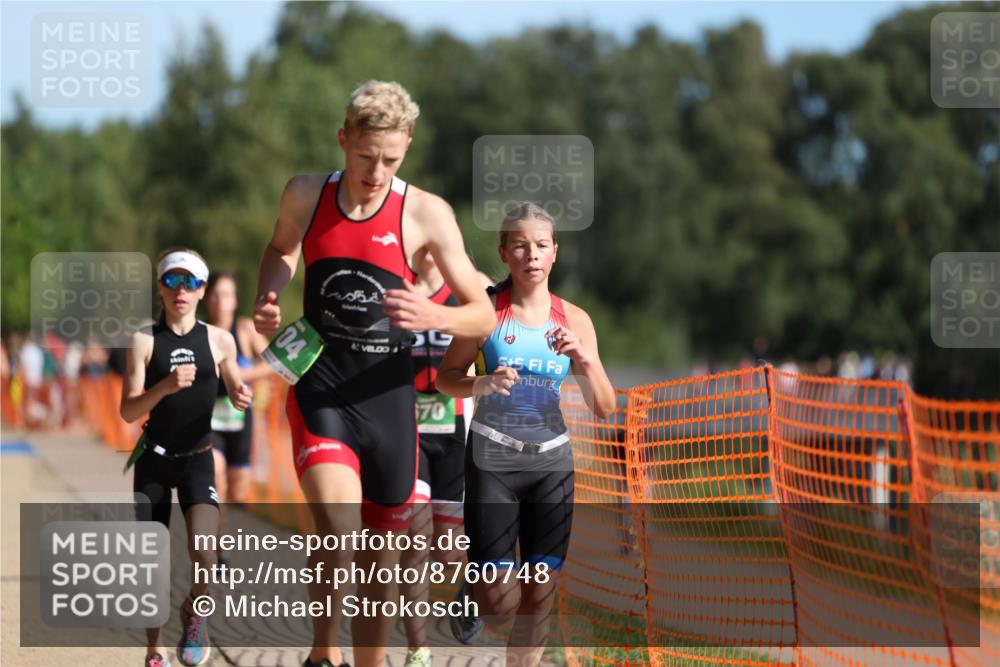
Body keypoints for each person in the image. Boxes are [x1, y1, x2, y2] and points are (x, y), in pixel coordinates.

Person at [252, 80, 495, 667]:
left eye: (391, 158)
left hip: (390, 402)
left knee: (381, 567)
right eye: (365, 156)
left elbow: (485, 309)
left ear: (407, 145)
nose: (376, 171)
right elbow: (281, 249)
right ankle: (321, 652)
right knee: (339, 531)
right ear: (343, 140)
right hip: (323, 387)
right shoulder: (307, 195)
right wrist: (270, 292)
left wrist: (433, 313)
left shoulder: (426, 212)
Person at [436, 203, 615, 667]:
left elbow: (605, 406)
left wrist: (586, 359)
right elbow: (445, 377)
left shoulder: (575, 320)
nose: (531, 255)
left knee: (541, 589)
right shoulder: (485, 315)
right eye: (520, 245)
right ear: (504, 252)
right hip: (493, 459)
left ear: (554, 252)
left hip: (551, 463)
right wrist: (482, 382)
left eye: (540, 245)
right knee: (501, 601)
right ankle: (474, 591)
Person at [120, 247, 253, 667]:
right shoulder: (144, 340)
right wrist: (164, 388)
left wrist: (239, 392)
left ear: (202, 291)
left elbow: (235, 380)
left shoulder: (219, 339)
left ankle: (196, 612)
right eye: (172, 280)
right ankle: (154, 647)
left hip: (198, 456)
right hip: (154, 459)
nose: (181, 289)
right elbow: (127, 410)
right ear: (160, 287)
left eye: (190, 282)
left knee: (204, 548)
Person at [400, 253, 493, 667]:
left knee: (447, 552)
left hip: (457, 429)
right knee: (415, 544)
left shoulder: (472, 287)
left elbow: (507, 322)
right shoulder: (394, 284)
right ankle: (418, 649)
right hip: (407, 432)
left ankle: (468, 588)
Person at [203, 271, 271, 544]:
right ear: (207, 299)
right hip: (210, 418)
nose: (221, 301)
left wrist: (241, 375)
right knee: (216, 477)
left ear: (235, 300)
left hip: (241, 418)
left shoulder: (244, 330)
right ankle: (218, 547)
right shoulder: (201, 332)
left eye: (227, 295)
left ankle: (223, 531)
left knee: (238, 487)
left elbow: (271, 363)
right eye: (216, 295)